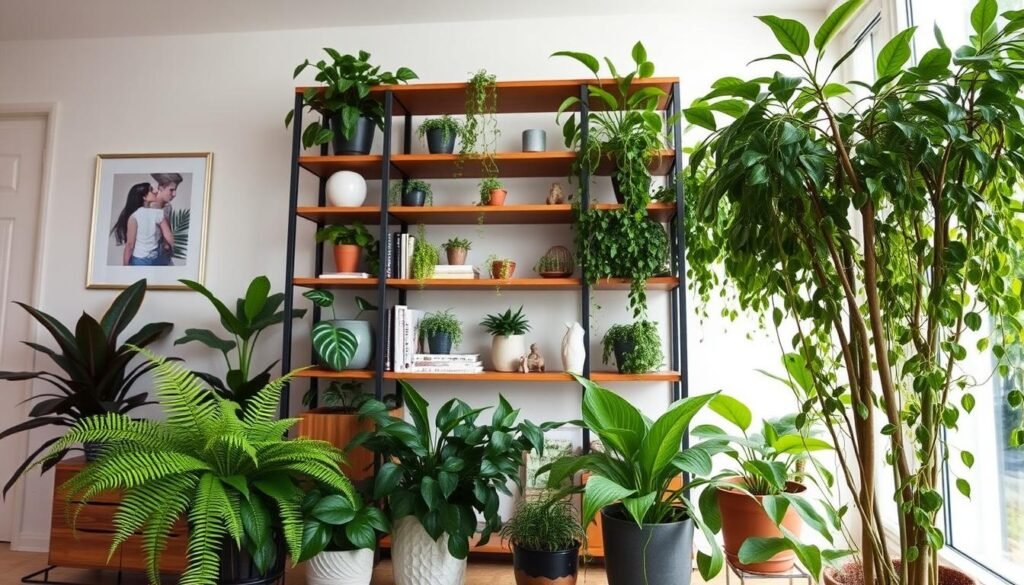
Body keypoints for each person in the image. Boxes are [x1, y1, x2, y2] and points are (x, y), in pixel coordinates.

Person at [111, 182, 173, 266]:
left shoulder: (134, 216)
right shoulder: (159, 213)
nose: (155, 191)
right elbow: (169, 236)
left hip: (140, 261)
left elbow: (130, 245)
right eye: (151, 190)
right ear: (144, 197)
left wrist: (125, 267)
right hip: (156, 259)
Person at [151, 173, 182, 265]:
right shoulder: (149, 207)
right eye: (171, 190)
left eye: (175, 190)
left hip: (164, 255)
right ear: (160, 187)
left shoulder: (168, 207)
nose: (174, 194)